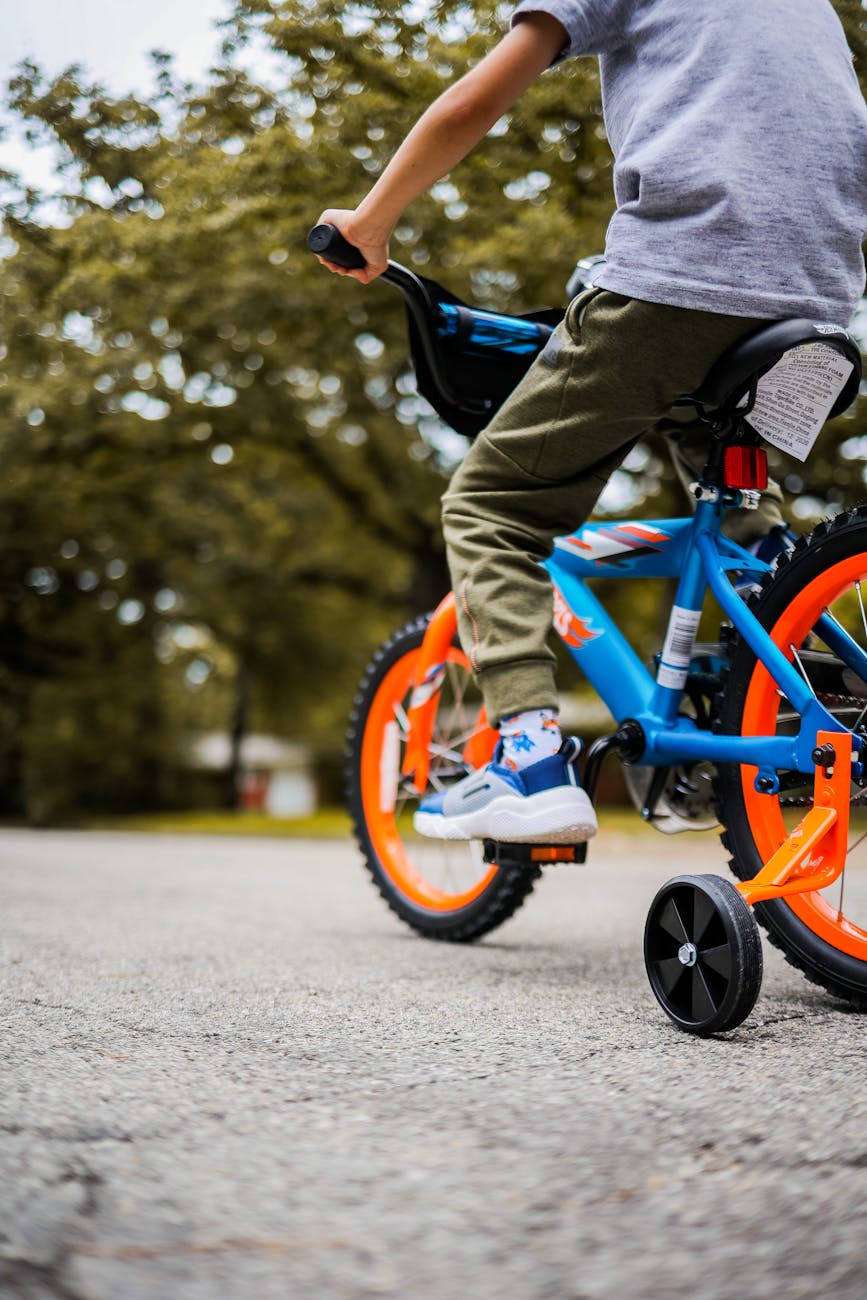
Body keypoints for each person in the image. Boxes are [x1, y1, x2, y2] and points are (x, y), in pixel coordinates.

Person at [317, 1, 867, 844]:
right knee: (743, 525)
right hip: (818, 312)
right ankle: (761, 700)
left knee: (490, 511)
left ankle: (531, 762)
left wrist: (371, 219)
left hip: (677, 286)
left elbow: (476, 100)